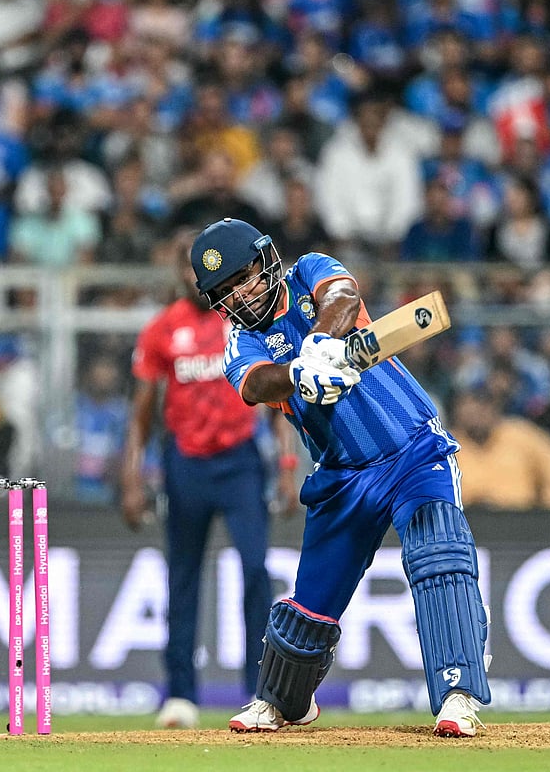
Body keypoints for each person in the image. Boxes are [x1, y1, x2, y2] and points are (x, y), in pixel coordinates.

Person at [190, 217, 491, 737]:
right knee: (310, 606)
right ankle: (283, 702)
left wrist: (323, 345)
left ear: (266, 261)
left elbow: (345, 298)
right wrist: (299, 375)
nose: (240, 295)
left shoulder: (309, 272)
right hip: (343, 476)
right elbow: (258, 384)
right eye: (226, 292)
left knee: (438, 555)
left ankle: (457, 694)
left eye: (244, 278)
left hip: (413, 449)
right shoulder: (241, 344)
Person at [122, 231, 294, 729]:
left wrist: (285, 468)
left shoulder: (241, 323)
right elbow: (141, 415)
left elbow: (276, 398)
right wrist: (132, 479)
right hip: (186, 463)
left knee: (257, 571)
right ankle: (180, 695)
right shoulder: (161, 330)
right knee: (182, 576)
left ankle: (262, 692)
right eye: (190, 268)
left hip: (240, 461)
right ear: (181, 273)